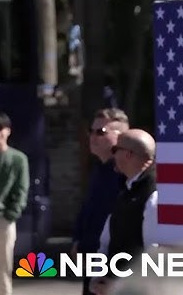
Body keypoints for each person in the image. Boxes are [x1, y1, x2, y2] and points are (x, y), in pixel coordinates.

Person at [89, 129, 158, 295]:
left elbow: (153, 251)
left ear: (128, 154)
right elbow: (106, 242)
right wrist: (98, 276)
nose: (112, 156)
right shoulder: (127, 190)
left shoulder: (152, 194)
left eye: (115, 150)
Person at [72, 108, 129, 295]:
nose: (93, 137)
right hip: (91, 255)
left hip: (110, 258)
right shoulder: (99, 169)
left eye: (101, 132)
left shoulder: (124, 173)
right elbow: (89, 207)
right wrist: (78, 240)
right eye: (91, 131)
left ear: (121, 136)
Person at [0, 111, 29, 295]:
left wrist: (11, 214)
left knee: (2, 268)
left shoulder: (18, 159)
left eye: (0, 129)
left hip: (3, 220)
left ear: (8, 131)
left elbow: (21, 189)